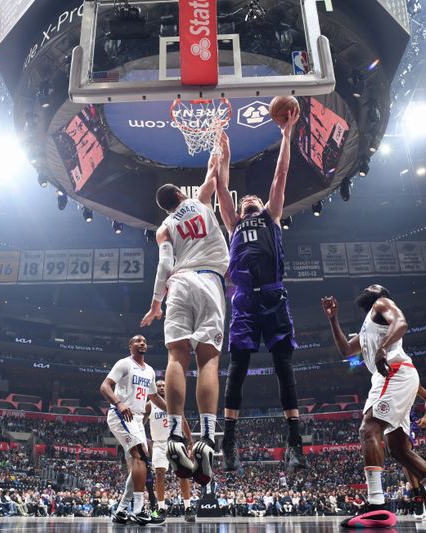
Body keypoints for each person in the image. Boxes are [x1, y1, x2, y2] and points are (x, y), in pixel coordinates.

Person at [322, 286, 426, 528]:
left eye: (373, 287)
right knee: (400, 450)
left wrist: (383, 347)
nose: (367, 288)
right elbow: (345, 349)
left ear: (382, 293)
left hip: (393, 372)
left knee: (369, 429)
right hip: (395, 376)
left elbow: (402, 323)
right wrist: (333, 319)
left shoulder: (381, 303)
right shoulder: (368, 325)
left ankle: (376, 507)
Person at [213, 108, 305, 472]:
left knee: (285, 368)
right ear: (238, 208)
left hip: (274, 297)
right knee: (237, 368)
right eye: (245, 198)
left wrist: (286, 135)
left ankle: (295, 442)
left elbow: (281, 173)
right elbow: (221, 186)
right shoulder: (233, 224)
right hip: (245, 301)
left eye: (254, 198)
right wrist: (225, 152)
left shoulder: (272, 216)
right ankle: (229, 442)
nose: (249, 198)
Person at [140, 144, 230, 486]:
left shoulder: (163, 229)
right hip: (209, 279)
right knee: (209, 360)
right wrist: (218, 148)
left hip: (177, 283)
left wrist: (155, 303)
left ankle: (176, 434)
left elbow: (164, 262)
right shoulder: (200, 200)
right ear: (181, 194)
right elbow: (213, 172)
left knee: (176, 358)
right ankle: (206, 437)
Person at [100, 335, 168, 525]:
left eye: (145, 341)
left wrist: (173, 412)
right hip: (121, 414)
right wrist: (119, 403)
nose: (142, 343)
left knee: (143, 461)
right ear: (130, 346)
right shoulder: (124, 363)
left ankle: (121, 510)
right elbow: (104, 386)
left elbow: (154, 398)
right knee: (139, 457)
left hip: (137, 419)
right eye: (138, 341)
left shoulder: (151, 371)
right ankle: (138, 510)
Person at [144, 379, 196, 523]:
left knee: (183, 474)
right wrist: (142, 439)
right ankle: (161, 508)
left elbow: (183, 421)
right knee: (160, 474)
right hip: (159, 444)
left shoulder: (175, 403)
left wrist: (190, 441)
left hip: (175, 441)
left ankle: (188, 508)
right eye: (158, 386)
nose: (161, 387)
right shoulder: (150, 405)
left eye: (163, 386)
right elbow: (141, 423)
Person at [404, 385, 426, 519]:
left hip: (410, 423)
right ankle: (423, 496)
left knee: (404, 452)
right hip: (394, 424)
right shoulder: (383, 381)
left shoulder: (409, 378)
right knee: (404, 461)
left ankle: (419, 498)